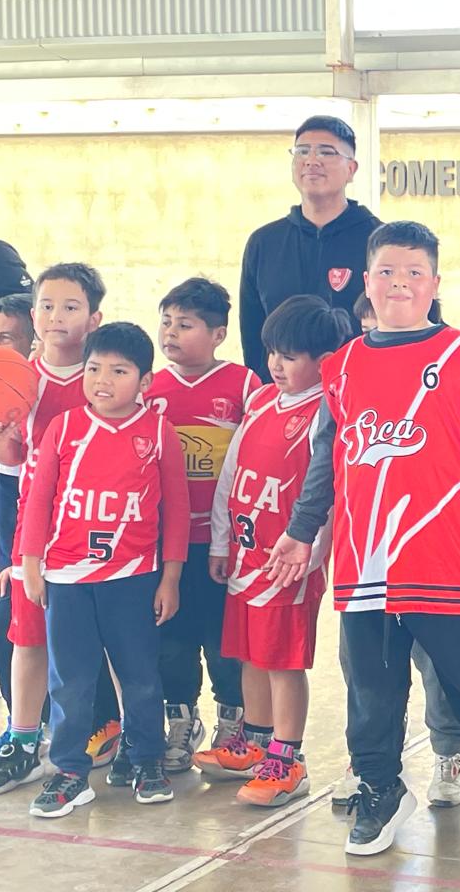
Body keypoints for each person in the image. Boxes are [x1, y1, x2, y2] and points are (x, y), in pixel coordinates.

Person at [265, 221, 460, 861]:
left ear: (435, 284)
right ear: (366, 283)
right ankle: (379, 787)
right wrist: (300, 529)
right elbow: (326, 462)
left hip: (446, 559)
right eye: (387, 272)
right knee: (371, 693)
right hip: (366, 564)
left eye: (413, 272)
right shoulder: (341, 367)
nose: (400, 282)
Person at [16, 322, 188, 814]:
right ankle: (70, 771)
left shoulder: (157, 431)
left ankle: (146, 759)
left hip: (132, 578)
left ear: (145, 381)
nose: (103, 380)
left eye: (119, 370)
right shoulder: (64, 427)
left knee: (139, 676)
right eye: (94, 369)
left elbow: (175, 510)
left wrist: (170, 576)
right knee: (69, 679)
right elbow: (39, 500)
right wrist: (32, 563)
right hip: (67, 579)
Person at [193, 295, 349, 807]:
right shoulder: (260, 401)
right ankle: (255, 740)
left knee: (282, 661)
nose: (275, 364)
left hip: (287, 563)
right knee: (247, 653)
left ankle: (288, 756)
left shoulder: (325, 412)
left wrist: (313, 556)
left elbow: (326, 497)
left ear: (323, 361)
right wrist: (221, 541)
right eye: (272, 353)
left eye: (289, 355)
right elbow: (230, 476)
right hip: (244, 552)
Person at [0, 264, 122, 796]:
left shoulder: (103, 378)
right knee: (25, 634)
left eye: (70, 307)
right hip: (35, 531)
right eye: (46, 306)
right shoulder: (18, 378)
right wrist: (1, 451)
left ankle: (111, 730)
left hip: (94, 532)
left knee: (100, 642)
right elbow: (17, 460)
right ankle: (22, 737)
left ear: (94, 317)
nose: (55, 317)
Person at [147, 278, 260, 772]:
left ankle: (232, 723)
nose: (171, 333)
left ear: (218, 334)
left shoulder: (243, 386)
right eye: (166, 322)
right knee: (170, 640)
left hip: (222, 546)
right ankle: (180, 720)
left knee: (222, 641)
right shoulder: (150, 388)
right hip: (165, 544)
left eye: (185, 324)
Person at [238, 115, 381, 382]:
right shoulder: (264, 242)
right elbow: (253, 332)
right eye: (302, 151)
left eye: (326, 152)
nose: (311, 160)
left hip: (358, 396)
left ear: (352, 169)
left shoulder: (380, 242)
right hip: (283, 399)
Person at [0, 294, 34, 748]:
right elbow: (6, 488)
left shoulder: (54, 402)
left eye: (7, 339)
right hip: (18, 553)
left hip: (71, 552)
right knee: (0, 630)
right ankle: (23, 728)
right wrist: (8, 560)